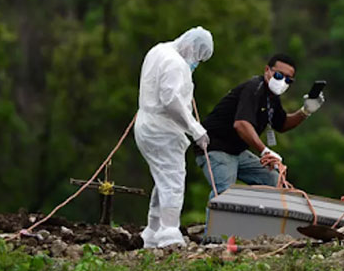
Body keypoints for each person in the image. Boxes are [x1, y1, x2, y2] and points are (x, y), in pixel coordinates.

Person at [194, 53, 325, 199]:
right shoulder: (254, 88)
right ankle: (216, 214)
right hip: (215, 147)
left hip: (237, 152)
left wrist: (305, 111)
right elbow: (241, 124)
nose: (282, 82)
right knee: (224, 193)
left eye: (288, 80)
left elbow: (281, 124)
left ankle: (264, 212)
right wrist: (265, 151)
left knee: (275, 181)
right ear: (267, 70)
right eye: (279, 76)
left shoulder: (272, 97)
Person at [135, 26, 214, 248]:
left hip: (147, 125)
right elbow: (171, 100)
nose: (195, 62)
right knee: (173, 181)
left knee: (162, 180)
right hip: (163, 131)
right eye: (198, 57)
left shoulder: (159, 50)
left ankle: (152, 232)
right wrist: (195, 129)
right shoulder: (175, 63)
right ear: (190, 47)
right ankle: (169, 235)